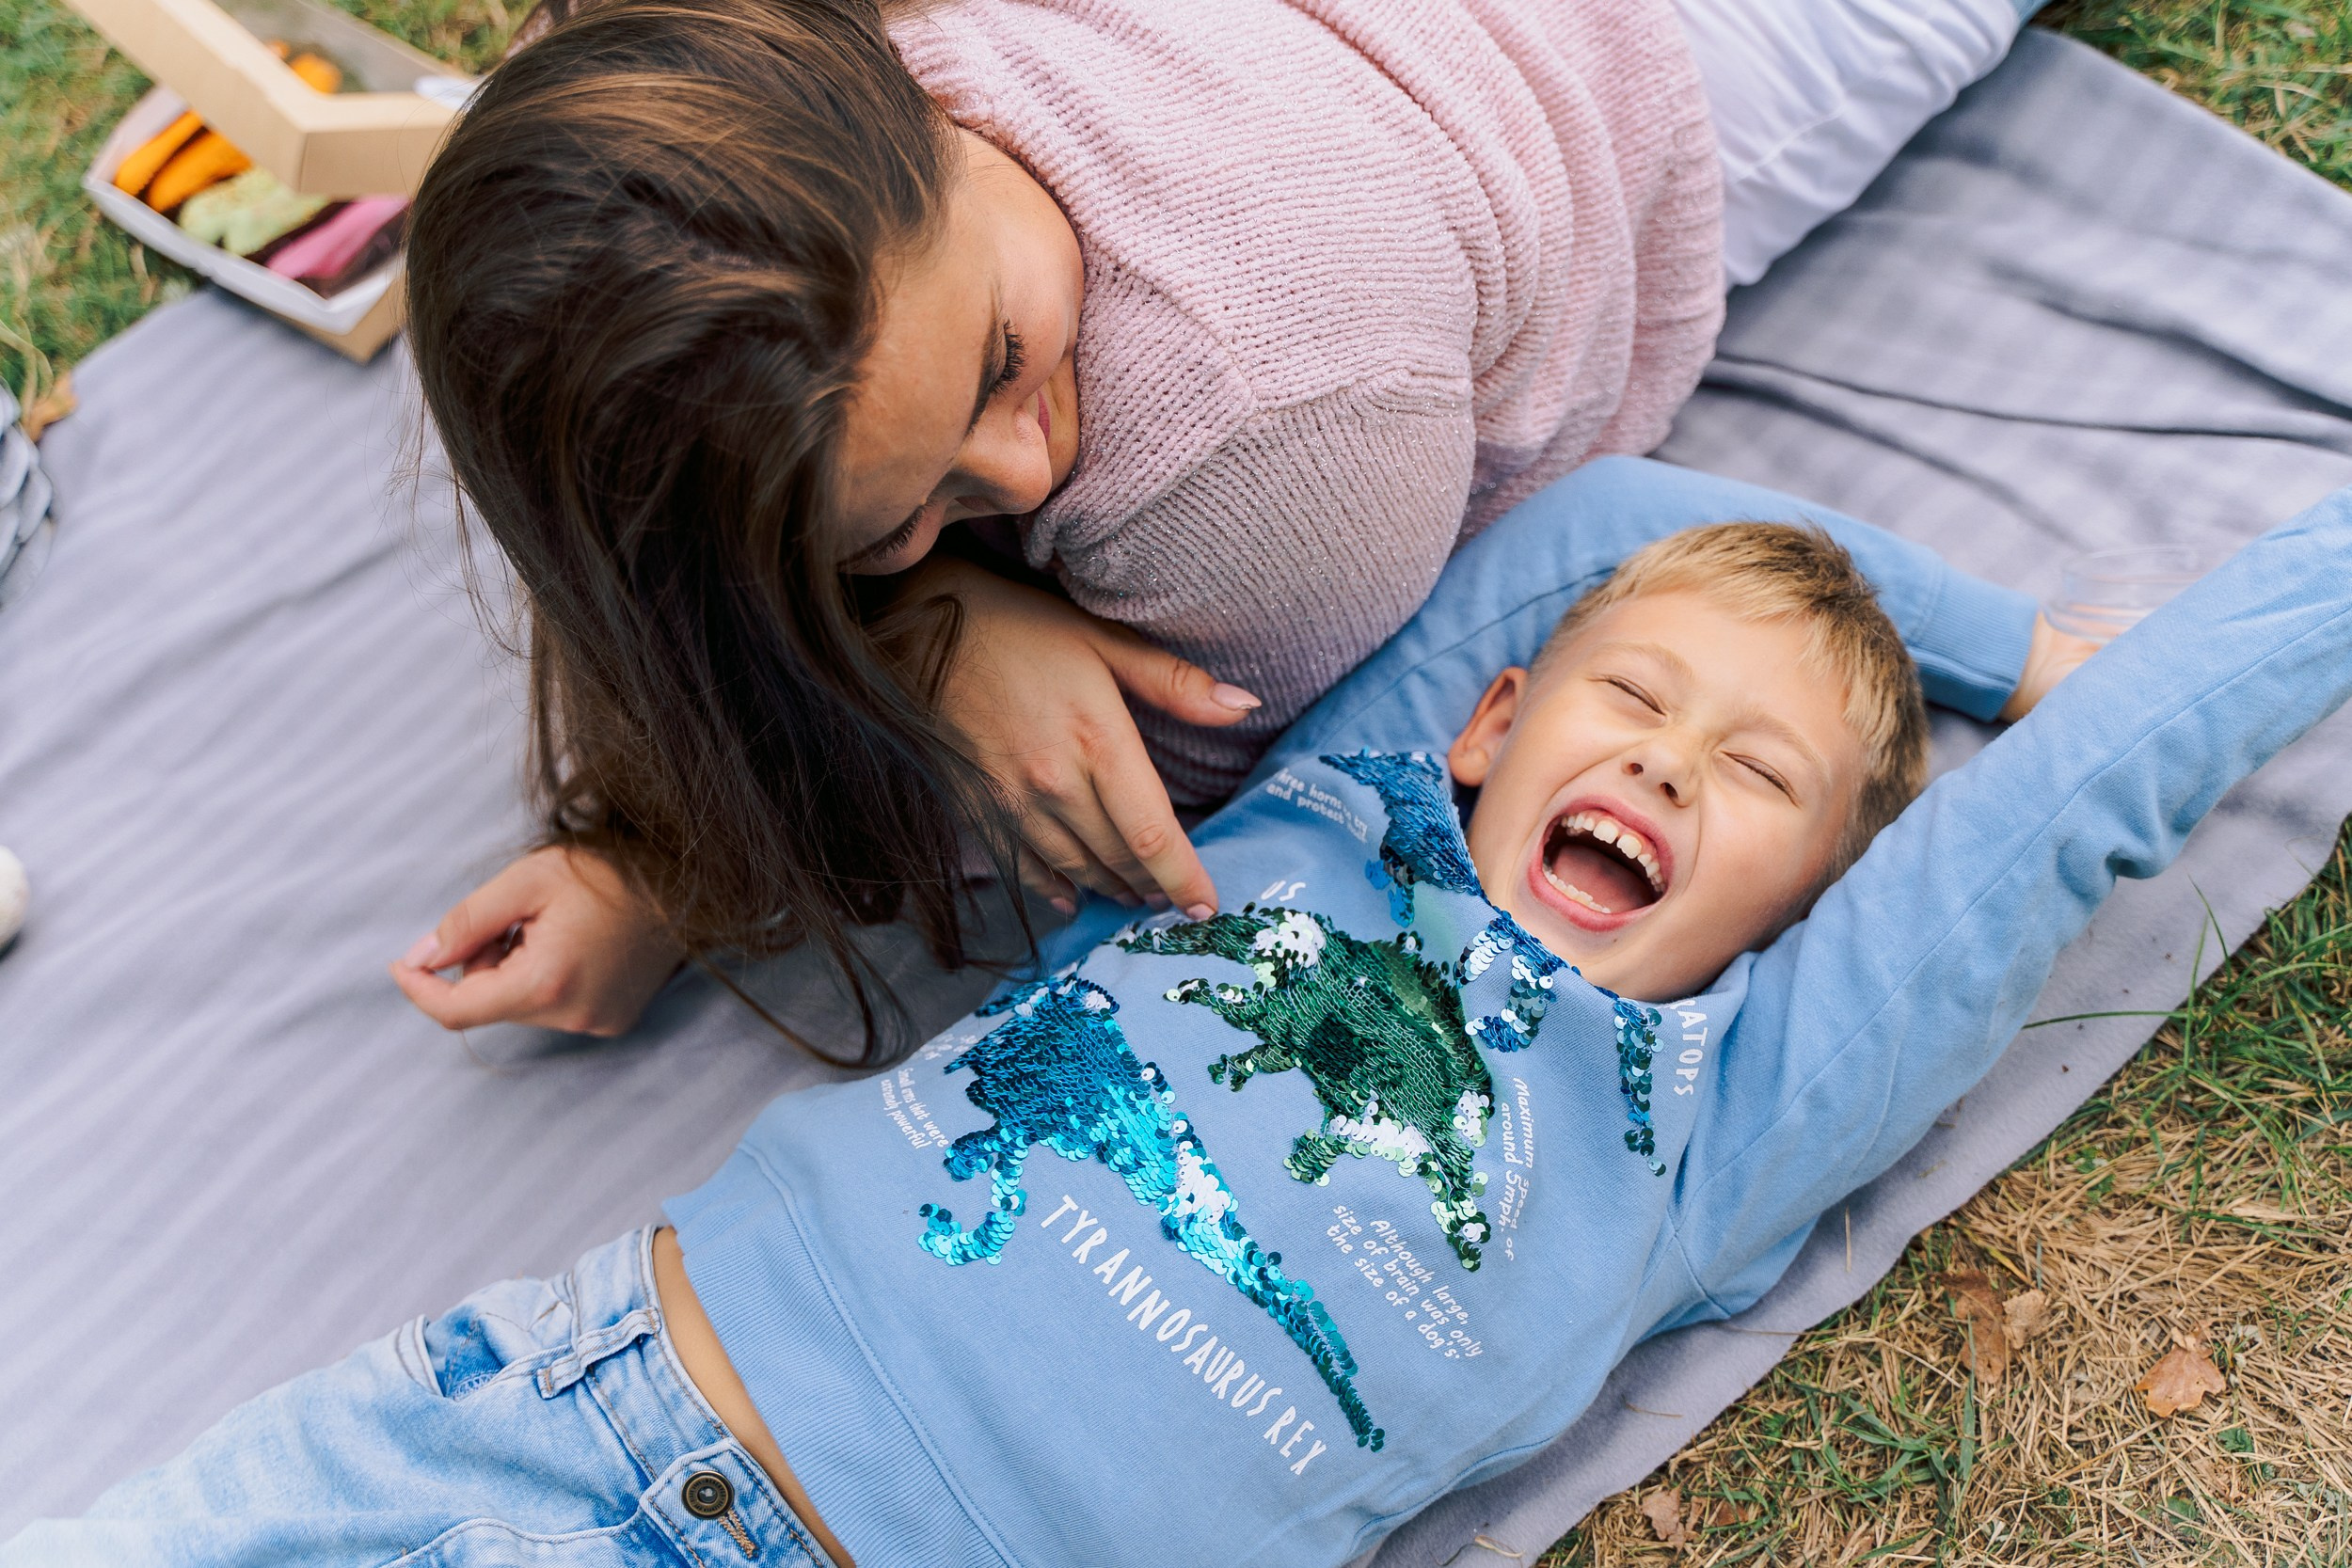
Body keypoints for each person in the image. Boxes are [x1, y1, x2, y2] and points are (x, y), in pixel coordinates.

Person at [21, 470, 2347, 1568]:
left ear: (1815, 910)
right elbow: (1607, 524)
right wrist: (1997, 640)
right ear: (1490, 725)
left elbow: (2052, 826)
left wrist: (2107, 690)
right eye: (1630, 704)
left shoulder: (1713, 1118)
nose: (1660, 767)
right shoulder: (1331, 818)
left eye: (1751, 780)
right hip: (558, 1403)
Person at [391, 0, 2057, 1053]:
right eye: (907, 521)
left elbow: (1145, 799)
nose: (1023, 474)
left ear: (908, 104)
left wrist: (911, 664)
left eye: (1001, 360)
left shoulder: (1255, 455)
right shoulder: (678, 85)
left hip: (1687, 55)